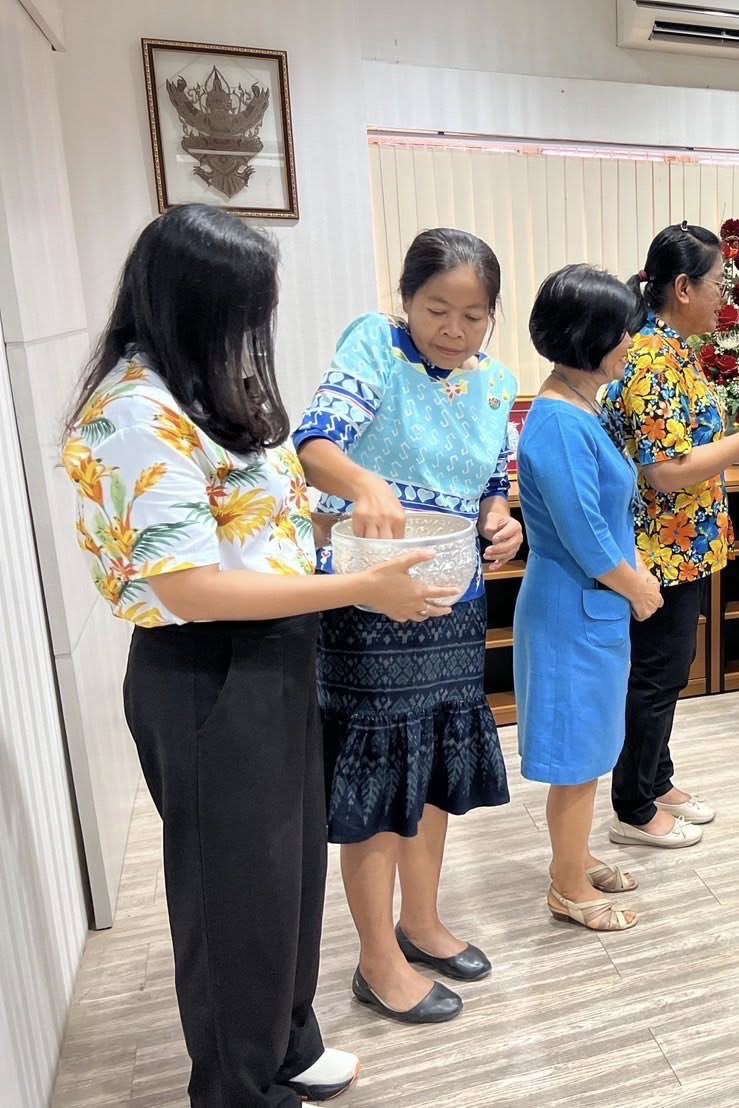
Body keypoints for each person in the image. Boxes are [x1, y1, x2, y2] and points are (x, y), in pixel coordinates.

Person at [61, 204, 458, 1106]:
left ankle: (288, 1042)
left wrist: (346, 525)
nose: (257, 330)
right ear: (194, 301)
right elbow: (190, 588)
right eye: (247, 307)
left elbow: (257, 520)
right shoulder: (134, 412)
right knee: (231, 898)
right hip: (208, 673)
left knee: (287, 874)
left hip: (276, 654)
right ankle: (240, 1088)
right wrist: (360, 588)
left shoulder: (204, 388)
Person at [295, 228, 523, 1024]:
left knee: (431, 769)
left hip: (452, 599)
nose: (453, 330)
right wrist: (362, 482)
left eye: (473, 315)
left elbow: (496, 476)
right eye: (437, 308)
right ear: (406, 297)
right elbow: (314, 442)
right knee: (383, 777)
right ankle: (376, 960)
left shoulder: (495, 381)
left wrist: (502, 517)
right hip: (369, 601)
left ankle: (420, 921)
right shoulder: (375, 348)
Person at [603, 223, 739, 847]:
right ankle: (633, 806)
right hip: (656, 549)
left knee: (669, 670)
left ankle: (656, 777)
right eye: (718, 283)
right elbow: (664, 473)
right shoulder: (649, 359)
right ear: (683, 287)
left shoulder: (674, 351)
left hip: (683, 544)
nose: (725, 295)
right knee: (657, 674)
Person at [514, 264, 662, 930]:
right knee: (576, 755)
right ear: (588, 336)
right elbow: (582, 530)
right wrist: (635, 585)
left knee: (592, 744)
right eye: (623, 331)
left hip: (586, 606)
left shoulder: (579, 406)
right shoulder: (555, 421)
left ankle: (571, 858)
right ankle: (568, 887)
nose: (631, 342)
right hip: (572, 608)